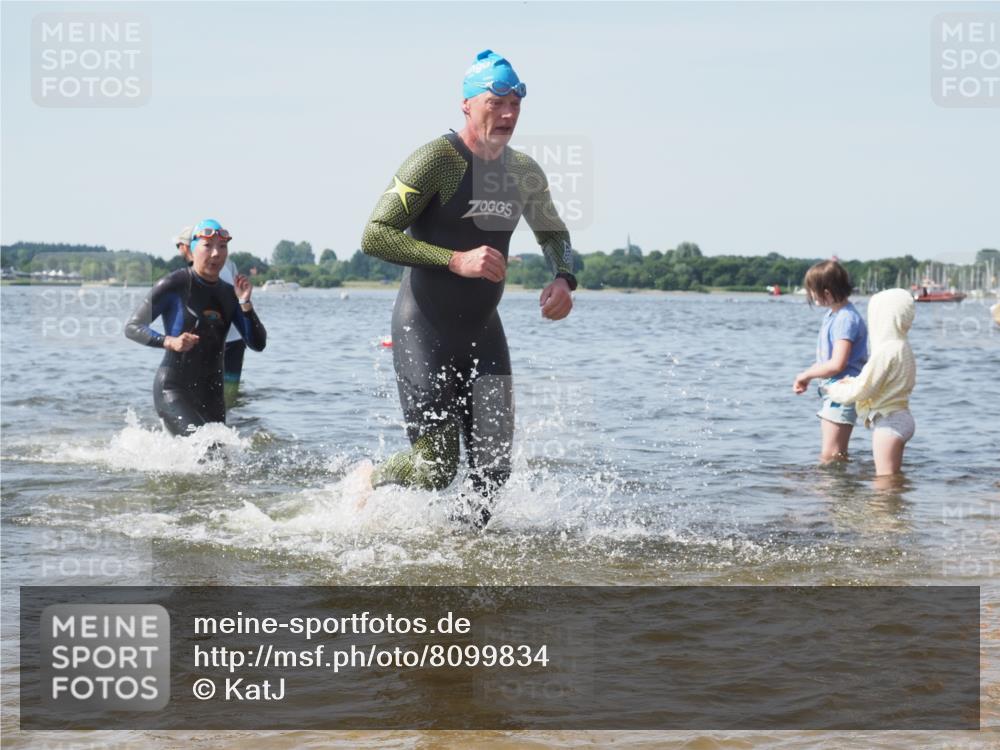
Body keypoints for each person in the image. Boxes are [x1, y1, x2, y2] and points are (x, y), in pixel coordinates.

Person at [358, 49, 578, 528]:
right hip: (424, 326)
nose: (507, 114)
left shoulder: (523, 172)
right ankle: (372, 479)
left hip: (483, 330)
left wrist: (564, 277)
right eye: (495, 102)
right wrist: (454, 260)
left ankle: (461, 556)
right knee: (436, 466)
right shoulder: (436, 160)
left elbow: (554, 233)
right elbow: (375, 234)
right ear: (466, 104)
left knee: (494, 468)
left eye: (515, 104)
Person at [126, 219, 266, 436]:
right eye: (207, 246)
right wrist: (168, 341)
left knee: (221, 457)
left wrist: (245, 304)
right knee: (206, 446)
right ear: (191, 251)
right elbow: (133, 327)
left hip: (212, 394)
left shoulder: (230, 294)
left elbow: (258, 344)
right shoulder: (175, 284)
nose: (215, 254)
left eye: (222, 246)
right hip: (173, 389)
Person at [824, 288, 917, 477]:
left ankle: (884, 507)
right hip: (903, 417)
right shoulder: (903, 346)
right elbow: (881, 382)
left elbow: (863, 389)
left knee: (884, 481)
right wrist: (852, 380)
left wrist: (832, 389)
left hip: (888, 423)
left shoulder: (885, 352)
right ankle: (898, 504)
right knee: (894, 477)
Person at [793, 260, 869, 462]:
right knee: (833, 453)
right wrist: (808, 377)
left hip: (842, 392)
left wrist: (806, 374)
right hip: (834, 391)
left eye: (812, 291)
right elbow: (828, 360)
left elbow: (838, 364)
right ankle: (836, 488)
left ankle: (835, 491)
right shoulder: (834, 315)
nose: (810, 295)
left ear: (826, 293)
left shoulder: (845, 319)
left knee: (831, 455)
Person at [175, 226, 247, 408]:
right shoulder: (223, 264)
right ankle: (231, 416)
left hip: (223, 338)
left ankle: (227, 416)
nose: (178, 251)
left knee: (215, 392)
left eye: (179, 245)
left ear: (188, 246)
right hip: (233, 337)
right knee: (226, 390)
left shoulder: (212, 269)